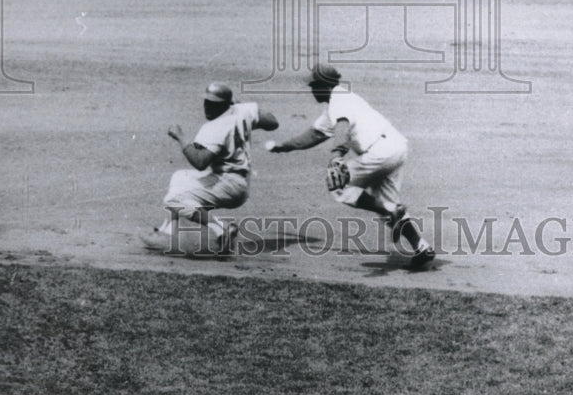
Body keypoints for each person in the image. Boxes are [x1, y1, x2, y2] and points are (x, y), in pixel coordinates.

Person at [267, 63, 435, 269]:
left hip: (379, 151)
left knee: (338, 185)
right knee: (386, 205)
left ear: (323, 85)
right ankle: (421, 246)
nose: (311, 90)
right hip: (396, 148)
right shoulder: (338, 102)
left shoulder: (339, 100)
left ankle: (392, 210)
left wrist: (337, 155)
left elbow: (343, 126)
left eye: (313, 86)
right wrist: (283, 146)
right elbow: (314, 135)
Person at [159, 82, 279, 255]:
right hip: (239, 181)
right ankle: (170, 231)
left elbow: (200, 162)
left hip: (228, 186)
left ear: (223, 105)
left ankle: (221, 230)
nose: (208, 107)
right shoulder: (241, 111)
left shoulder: (214, 128)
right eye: (206, 102)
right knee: (179, 177)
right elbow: (273, 122)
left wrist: (181, 137)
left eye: (214, 104)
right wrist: (242, 108)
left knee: (173, 200)